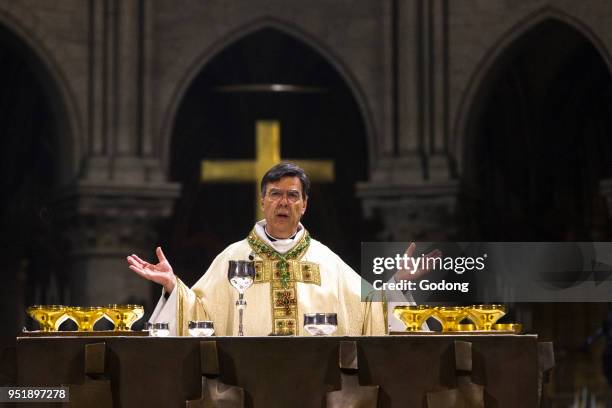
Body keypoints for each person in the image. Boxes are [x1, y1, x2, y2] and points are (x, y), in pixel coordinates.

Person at [127, 162, 389, 336]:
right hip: (248, 379)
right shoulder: (232, 259)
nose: (283, 202)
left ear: (305, 205)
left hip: (314, 380)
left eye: (293, 195)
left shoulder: (327, 261)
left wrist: (398, 284)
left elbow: (371, 308)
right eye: (275, 194)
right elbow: (201, 316)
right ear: (263, 202)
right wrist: (173, 286)